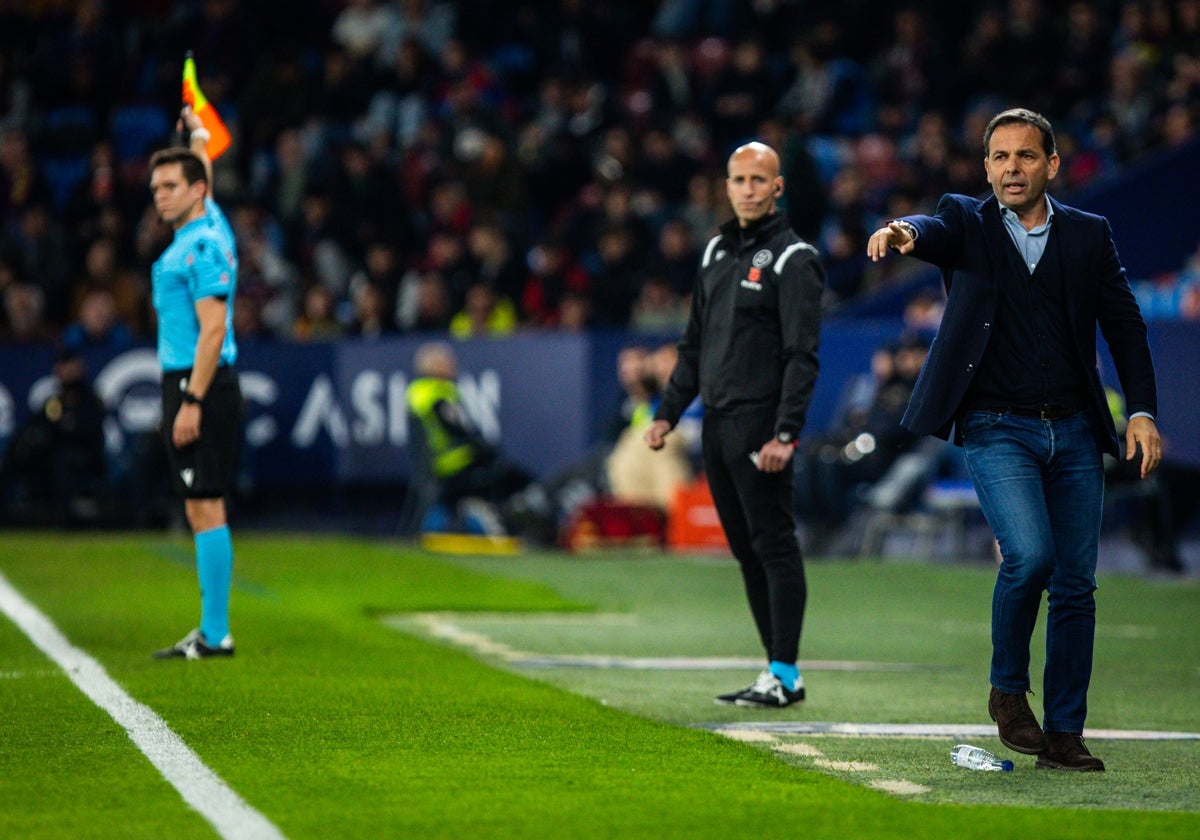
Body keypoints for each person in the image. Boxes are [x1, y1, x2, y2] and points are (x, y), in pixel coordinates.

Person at [867, 108, 1161, 771]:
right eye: (999, 158)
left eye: (1025, 157)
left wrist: (1140, 410)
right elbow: (933, 230)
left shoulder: (1090, 235)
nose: (1011, 169)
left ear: (1052, 165)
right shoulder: (967, 223)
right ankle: (1007, 689)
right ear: (986, 168)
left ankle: (1063, 735)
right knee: (1029, 558)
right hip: (996, 427)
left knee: (1077, 587)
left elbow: (1125, 326)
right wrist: (904, 231)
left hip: (1079, 431)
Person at [645, 141, 824, 708]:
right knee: (747, 550)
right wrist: (668, 413)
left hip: (760, 428)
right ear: (726, 186)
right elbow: (694, 344)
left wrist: (786, 433)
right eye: (738, 179)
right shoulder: (716, 250)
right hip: (717, 428)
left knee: (774, 545)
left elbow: (802, 356)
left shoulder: (796, 259)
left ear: (778, 188)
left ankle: (786, 673)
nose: (747, 188)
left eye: (758, 179)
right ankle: (775, 672)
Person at [148, 106, 243, 661]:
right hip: (193, 381)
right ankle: (212, 630)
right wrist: (197, 138)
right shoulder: (209, 226)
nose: (159, 195)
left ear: (196, 190)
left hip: (198, 381)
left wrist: (191, 401)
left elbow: (214, 329)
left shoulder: (199, 246)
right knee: (199, 505)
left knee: (205, 504)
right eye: (155, 186)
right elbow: (204, 175)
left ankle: (215, 633)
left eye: (169, 185)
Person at [404, 340, 537, 536]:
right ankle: (517, 527)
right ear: (435, 366)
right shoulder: (437, 392)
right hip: (453, 466)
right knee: (513, 476)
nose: (453, 365)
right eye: (448, 361)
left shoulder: (417, 391)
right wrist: (487, 450)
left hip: (433, 468)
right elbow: (458, 430)